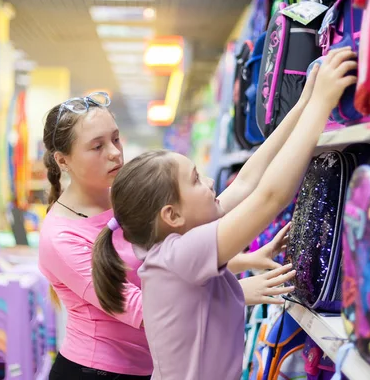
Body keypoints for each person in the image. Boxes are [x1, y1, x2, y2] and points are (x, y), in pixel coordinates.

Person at [92, 47, 358, 380]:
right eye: (195, 179)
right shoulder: (179, 253)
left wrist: (304, 104)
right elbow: (269, 197)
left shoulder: (173, 240)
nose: (209, 182)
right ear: (172, 215)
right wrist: (321, 105)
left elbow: (248, 180)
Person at [38, 90, 300, 379]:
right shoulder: (59, 236)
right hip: (98, 371)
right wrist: (237, 293)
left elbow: (167, 258)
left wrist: (241, 260)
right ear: (63, 160)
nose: (114, 152)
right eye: (97, 146)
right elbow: (145, 308)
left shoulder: (128, 198)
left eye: (115, 138)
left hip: (149, 365)